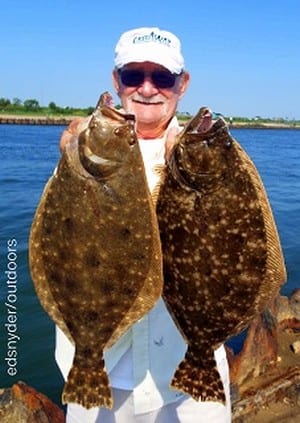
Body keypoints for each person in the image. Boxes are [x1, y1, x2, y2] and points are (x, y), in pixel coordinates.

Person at [56, 27, 232, 423]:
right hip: (97, 368)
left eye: (162, 77)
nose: (147, 88)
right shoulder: (79, 147)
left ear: (182, 84)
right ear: (116, 80)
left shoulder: (204, 154)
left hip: (187, 370)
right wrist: (72, 159)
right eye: (134, 75)